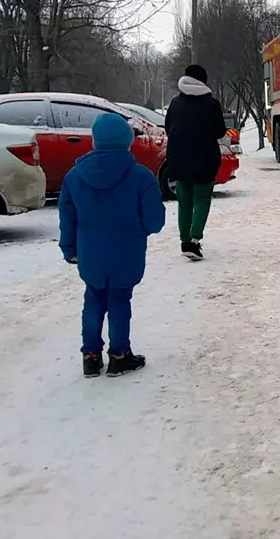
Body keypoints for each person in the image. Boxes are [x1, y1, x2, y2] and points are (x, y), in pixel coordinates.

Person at [59, 113, 166, 378]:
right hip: (126, 253)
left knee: (93, 300)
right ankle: (119, 356)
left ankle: (91, 357)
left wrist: (69, 248)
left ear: (95, 141)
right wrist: (139, 230)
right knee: (119, 300)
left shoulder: (74, 177)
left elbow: (67, 218)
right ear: (127, 141)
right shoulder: (141, 177)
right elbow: (154, 221)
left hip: (90, 254)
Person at [164, 64, 228, 260]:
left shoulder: (175, 103)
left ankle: (185, 241)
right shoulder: (212, 104)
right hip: (204, 158)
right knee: (201, 199)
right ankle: (194, 240)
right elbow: (220, 131)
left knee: (184, 201)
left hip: (178, 157)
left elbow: (168, 128)